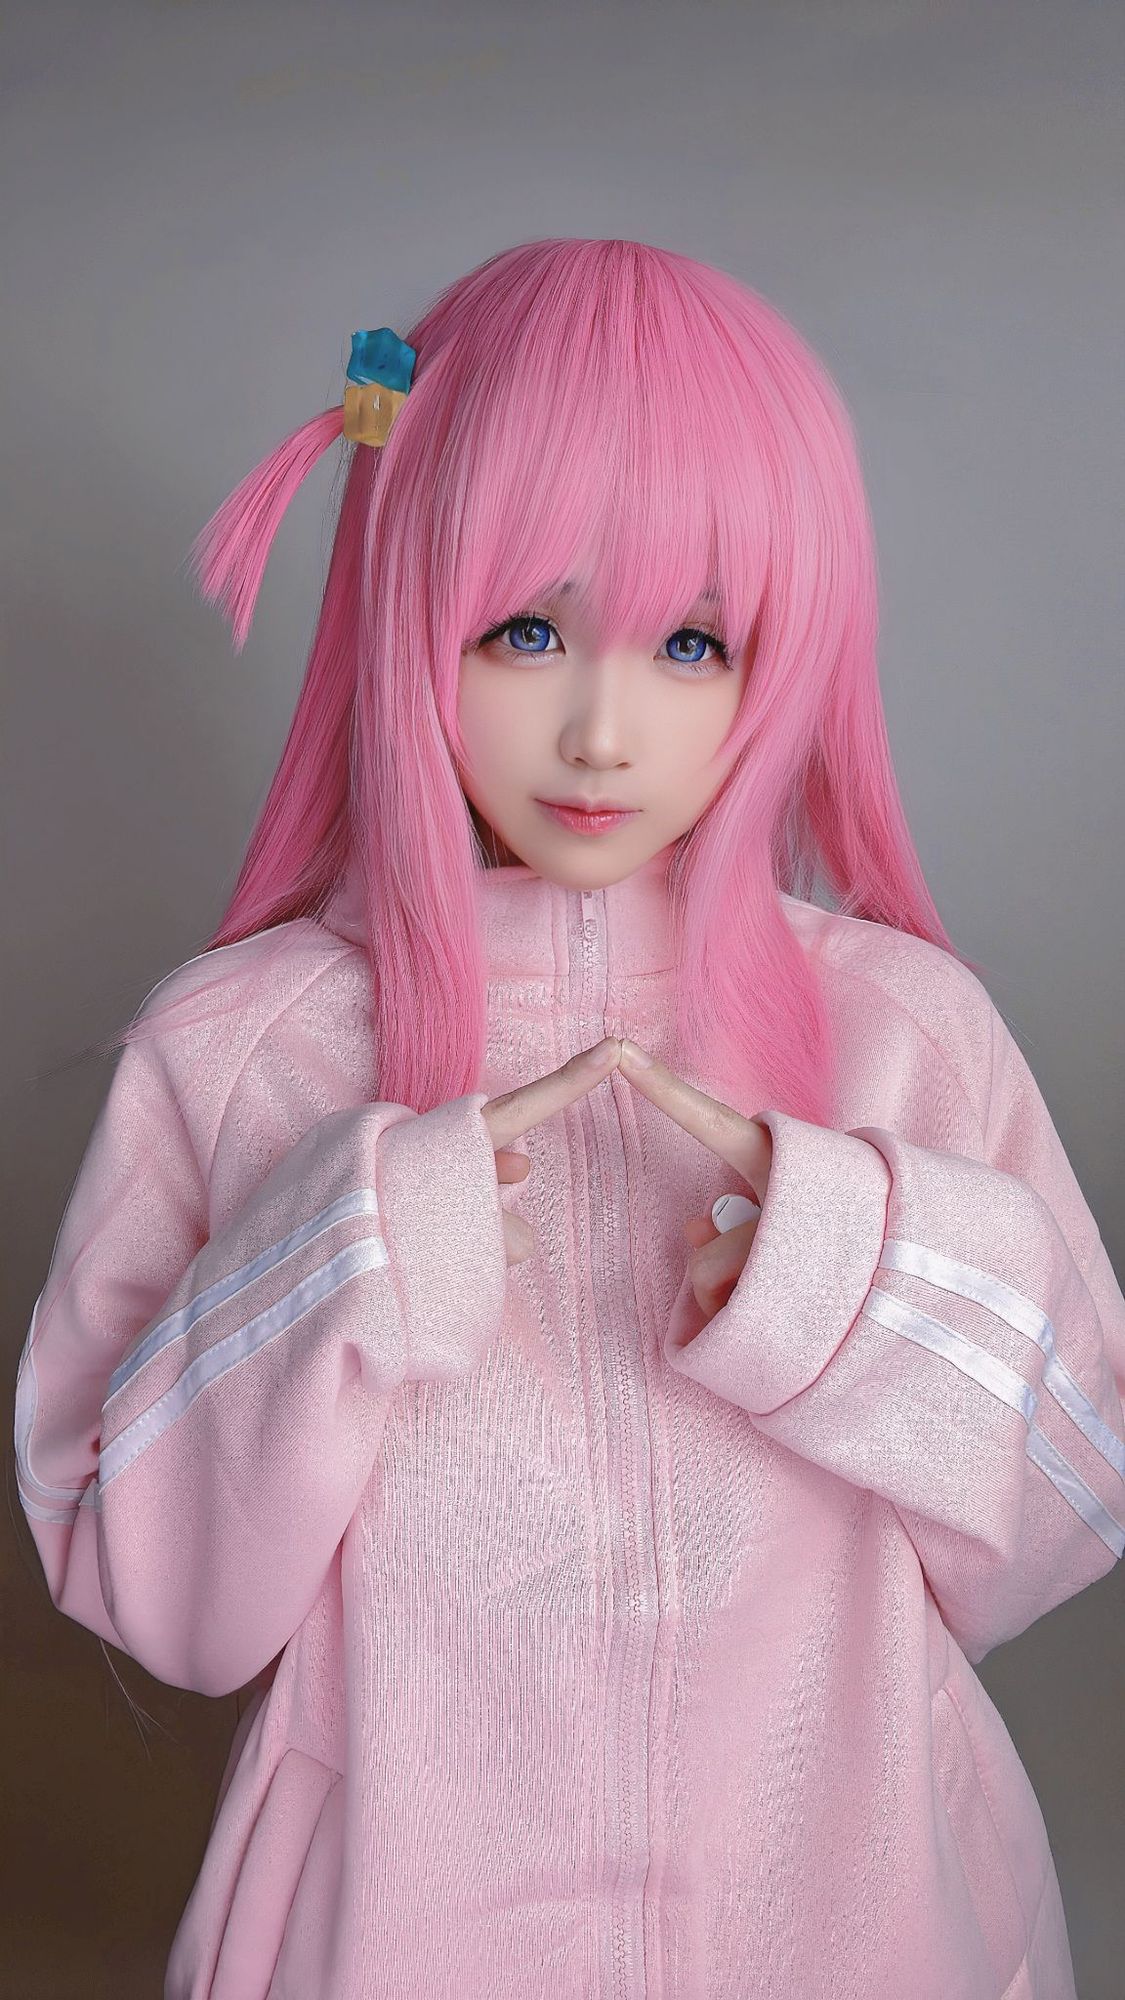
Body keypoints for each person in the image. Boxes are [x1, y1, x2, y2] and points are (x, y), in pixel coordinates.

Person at [14, 237, 1124, 2000]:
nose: (602, 731)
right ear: (404, 604)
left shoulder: (901, 1031)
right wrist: (350, 1253)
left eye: (692, 642)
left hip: (859, 1935)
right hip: (399, 1941)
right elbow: (161, 1599)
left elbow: (1070, 1509)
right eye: (526, 631)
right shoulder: (244, 1051)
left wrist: (848, 1267)